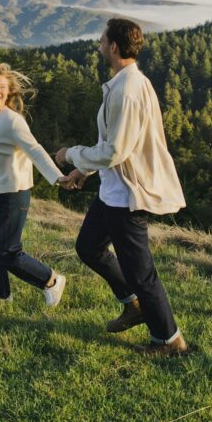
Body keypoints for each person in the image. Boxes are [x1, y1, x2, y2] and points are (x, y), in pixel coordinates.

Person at [56, 19, 191, 357]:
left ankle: (169, 340)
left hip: (128, 196)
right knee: (88, 247)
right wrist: (84, 171)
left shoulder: (128, 90)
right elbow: (113, 144)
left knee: (141, 272)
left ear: (114, 46)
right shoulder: (124, 83)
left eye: (102, 39)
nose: (99, 43)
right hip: (112, 191)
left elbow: (117, 150)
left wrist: (71, 154)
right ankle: (133, 306)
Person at [0, 63, 73, 308]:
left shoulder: (12, 121)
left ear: (8, 93)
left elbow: (35, 150)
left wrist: (57, 177)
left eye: (1, 87)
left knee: (5, 251)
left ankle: (51, 280)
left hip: (13, 194)